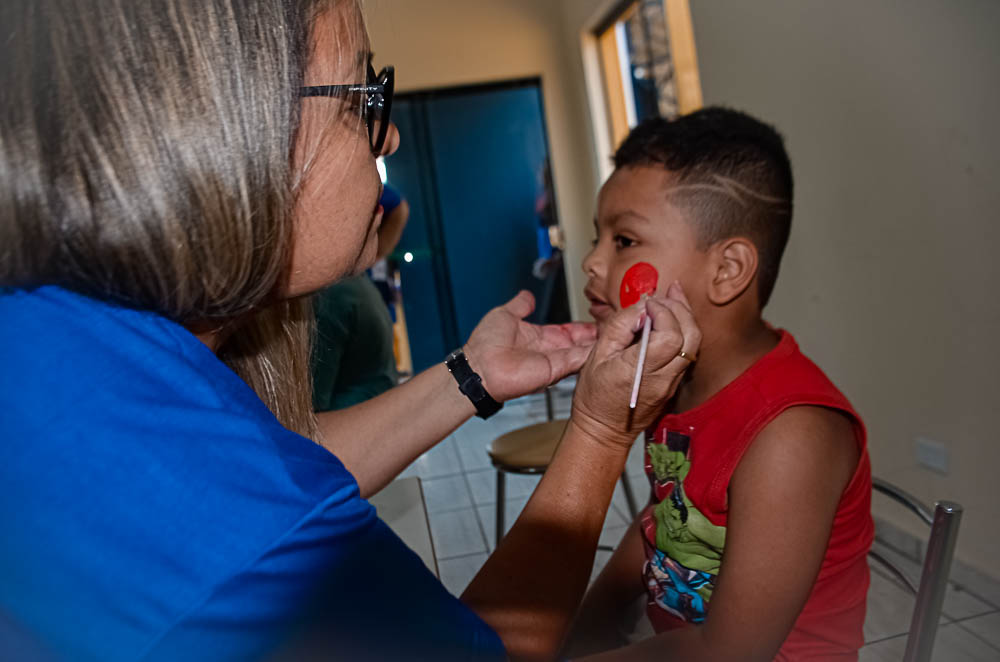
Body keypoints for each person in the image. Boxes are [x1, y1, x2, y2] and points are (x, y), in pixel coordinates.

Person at [0, 2, 701, 662]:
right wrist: (604, 433)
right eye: (360, 96)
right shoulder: (249, 543)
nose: (388, 131)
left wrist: (469, 376)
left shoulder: (57, 335)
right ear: (219, 129)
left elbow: (274, 464)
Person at [567, 108, 873, 661]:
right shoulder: (674, 382)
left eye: (624, 240)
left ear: (728, 270)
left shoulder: (790, 435)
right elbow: (662, 524)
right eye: (598, 237)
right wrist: (579, 633)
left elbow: (730, 652)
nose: (591, 262)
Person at [311, 185, 408, 412]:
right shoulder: (349, 284)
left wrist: (377, 253)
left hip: (355, 422)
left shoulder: (334, 292)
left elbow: (313, 411)